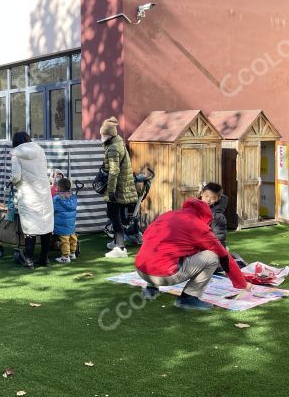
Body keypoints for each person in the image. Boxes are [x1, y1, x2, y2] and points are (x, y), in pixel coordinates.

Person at [135, 198, 249, 311]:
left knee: (158, 251)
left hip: (141, 270)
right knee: (212, 257)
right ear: (205, 216)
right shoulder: (198, 225)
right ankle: (189, 297)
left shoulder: (167, 215)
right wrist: (242, 283)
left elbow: (146, 237)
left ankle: (151, 289)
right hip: (165, 275)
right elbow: (224, 257)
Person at [10, 131, 54, 268]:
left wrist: (11, 181)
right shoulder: (40, 150)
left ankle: (28, 260)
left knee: (30, 227)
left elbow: (16, 176)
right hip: (43, 191)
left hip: (28, 193)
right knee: (46, 224)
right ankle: (44, 259)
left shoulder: (16, 154)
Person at [100, 117, 139, 259]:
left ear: (108, 135)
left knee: (114, 218)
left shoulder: (113, 148)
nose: (101, 137)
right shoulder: (119, 144)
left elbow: (114, 171)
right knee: (117, 217)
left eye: (103, 134)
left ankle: (120, 248)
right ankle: (117, 241)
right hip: (123, 187)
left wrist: (110, 191)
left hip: (117, 188)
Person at [53, 177, 78, 263]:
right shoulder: (73, 198)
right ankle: (72, 253)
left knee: (64, 240)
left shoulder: (57, 199)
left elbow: (53, 209)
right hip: (71, 223)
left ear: (59, 187)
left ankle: (65, 256)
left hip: (61, 223)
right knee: (72, 238)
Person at [200, 182, 228, 246]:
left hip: (210, 247)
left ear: (218, 199)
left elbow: (219, 239)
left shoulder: (217, 216)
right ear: (201, 193)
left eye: (213, 198)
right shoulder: (196, 208)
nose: (208, 200)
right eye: (206, 196)